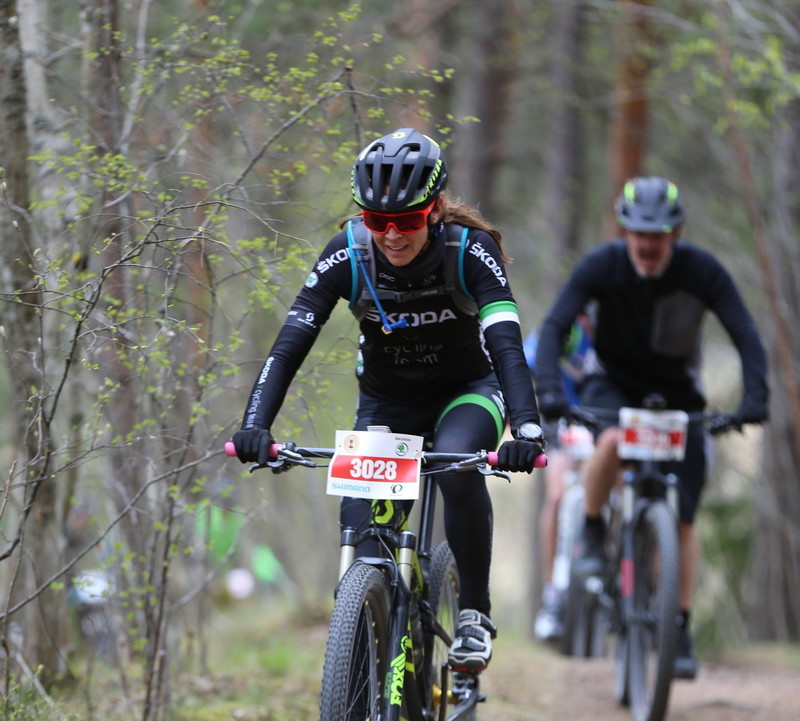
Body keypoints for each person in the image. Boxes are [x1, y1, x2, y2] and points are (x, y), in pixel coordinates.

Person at [232, 127, 545, 673]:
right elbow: (289, 347)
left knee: (455, 464)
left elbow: (506, 345)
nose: (392, 235)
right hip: (387, 405)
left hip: (468, 393)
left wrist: (527, 429)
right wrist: (255, 424)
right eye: (378, 221)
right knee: (366, 542)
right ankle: (364, 666)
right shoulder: (348, 255)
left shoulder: (471, 251)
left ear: (436, 208)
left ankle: (473, 613)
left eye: (407, 220)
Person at [535, 176, 768, 678]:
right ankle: (593, 530)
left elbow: (745, 332)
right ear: (624, 231)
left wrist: (754, 399)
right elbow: (554, 325)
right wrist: (550, 391)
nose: (647, 245)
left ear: (675, 233)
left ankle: (677, 625)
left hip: (677, 398)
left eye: (657, 236)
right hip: (612, 388)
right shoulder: (601, 265)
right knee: (613, 441)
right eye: (638, 234)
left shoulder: (702, 272)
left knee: (683, 518)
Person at [525, 313, 594, 640]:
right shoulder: (563, 329)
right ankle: (552, 595)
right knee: (556, 496)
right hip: (566, 425)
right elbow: (525, 365)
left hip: (608, 424)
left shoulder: (625, 325)